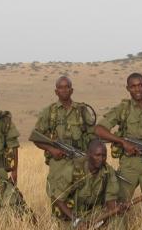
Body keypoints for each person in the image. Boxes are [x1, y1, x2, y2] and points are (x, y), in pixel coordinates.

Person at [96, 73, 142, 202]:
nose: (137, 89)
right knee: (120, 202)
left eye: (140, 85)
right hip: (130, 163)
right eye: (133, 86)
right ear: (128, 88)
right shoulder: (123, 108)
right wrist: (122, 142)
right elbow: (99, 130)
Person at [31, 76, 96, 204]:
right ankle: (58, 224)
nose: (64, 90)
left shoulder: (82, 110)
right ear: (56, 91)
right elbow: (35, 137)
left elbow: (92, 135)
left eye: (67, 87)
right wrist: (51, 150)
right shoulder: (49, 112)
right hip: (59, 161)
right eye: (60, 87)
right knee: (57, 195)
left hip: (80, 159)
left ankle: (82, 221)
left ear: (72, 90)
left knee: (83, 194)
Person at [52, 139, 125, 230]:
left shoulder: (108, 171)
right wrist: (76, 220)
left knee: (118, 217)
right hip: (71, 214)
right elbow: (58, 198)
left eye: (104, 155)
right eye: (97, 155)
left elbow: (110, 199)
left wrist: (116, 209)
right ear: (88, 155)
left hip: (94, 212)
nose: (101, 159)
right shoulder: (73, 169)